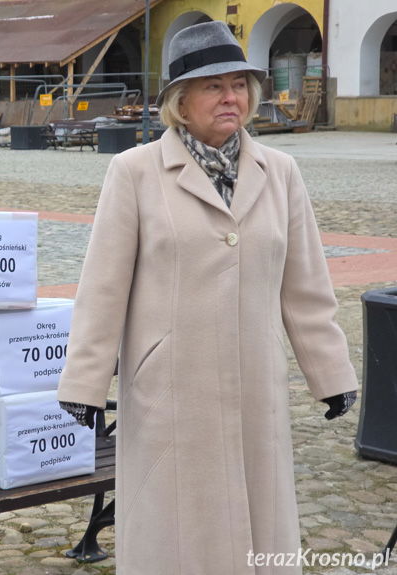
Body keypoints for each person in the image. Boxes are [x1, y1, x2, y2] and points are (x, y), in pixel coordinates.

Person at [57, 20, 357, 575]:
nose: (231, 98)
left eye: (239, 85)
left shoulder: (282, 172)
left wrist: (332, 374)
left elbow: (307, 288)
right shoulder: (135, 173)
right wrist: (85, 384)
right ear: (180, 101)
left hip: (254, 383)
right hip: (171, 390)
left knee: (258, 524)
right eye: (213, 86)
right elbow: (103, 288)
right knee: (178, 534)